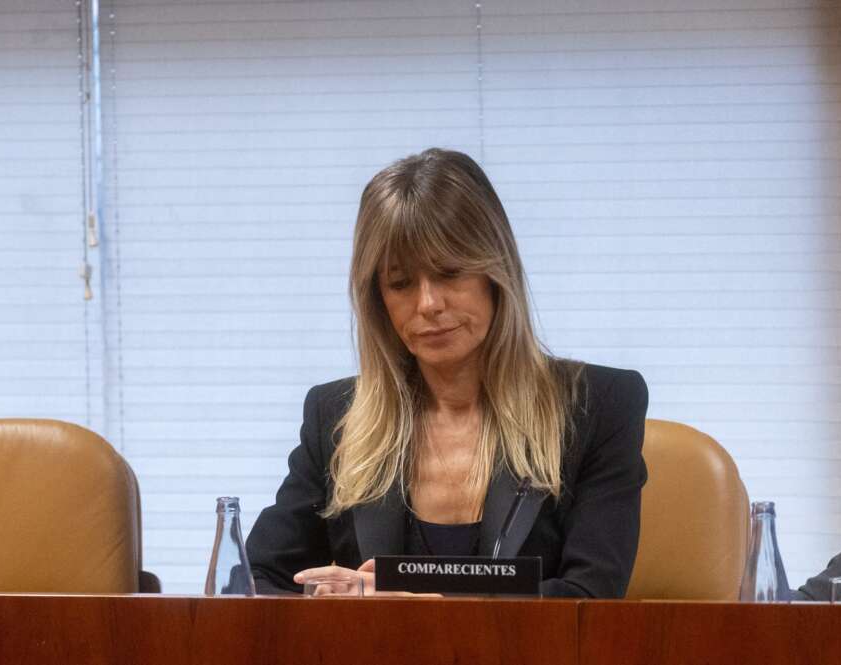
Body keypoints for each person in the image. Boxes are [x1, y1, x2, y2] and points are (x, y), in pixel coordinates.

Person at [245, 148, 649, 598]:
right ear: (378, 299)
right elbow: (253, 582)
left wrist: (416, 602)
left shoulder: (598, 406)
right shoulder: (335, 417)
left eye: (450, 272)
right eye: (400, 283)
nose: (429, 304)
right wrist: (329, 605)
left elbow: (589, 599)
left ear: (495, 272)